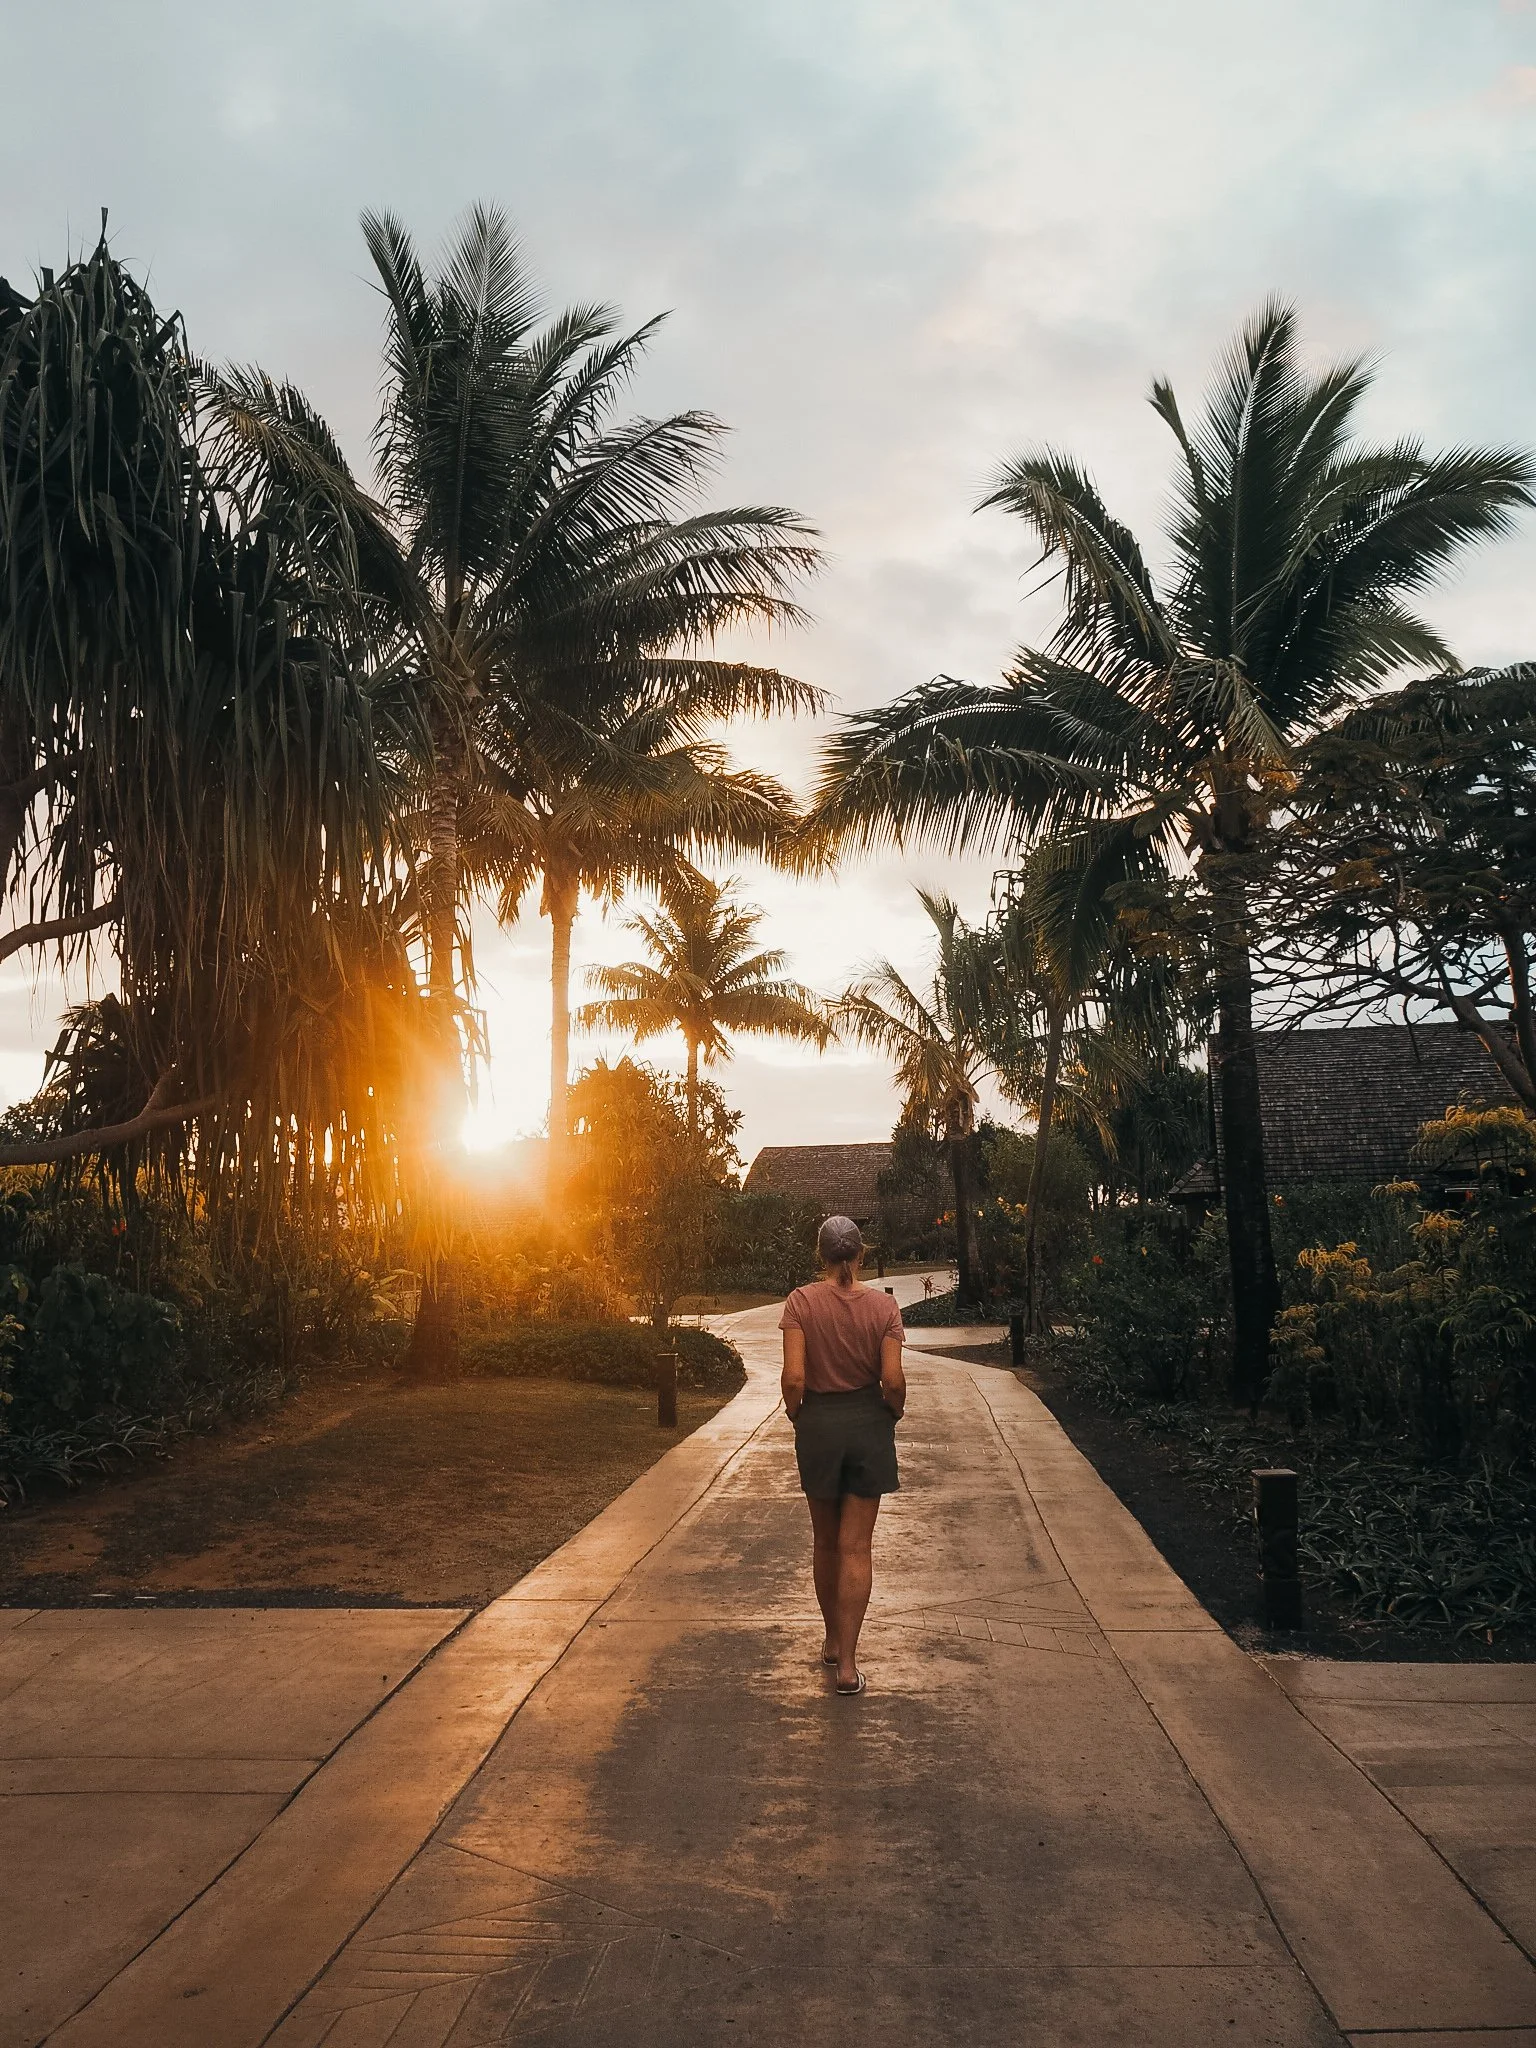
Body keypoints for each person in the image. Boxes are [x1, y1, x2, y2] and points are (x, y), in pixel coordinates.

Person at [780, 1215, 906, 1696]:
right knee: (857, 1547)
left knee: (825, 1543)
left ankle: (832, 1640)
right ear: (860, 1254)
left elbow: (793, 1379)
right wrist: (892, 1412)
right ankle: (849, 1666)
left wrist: (800, 1415)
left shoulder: (800, 1303)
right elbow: (891, 1381)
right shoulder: (885, 1308)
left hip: (819, 1424)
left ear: (822, 1254)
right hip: (868, 1425)